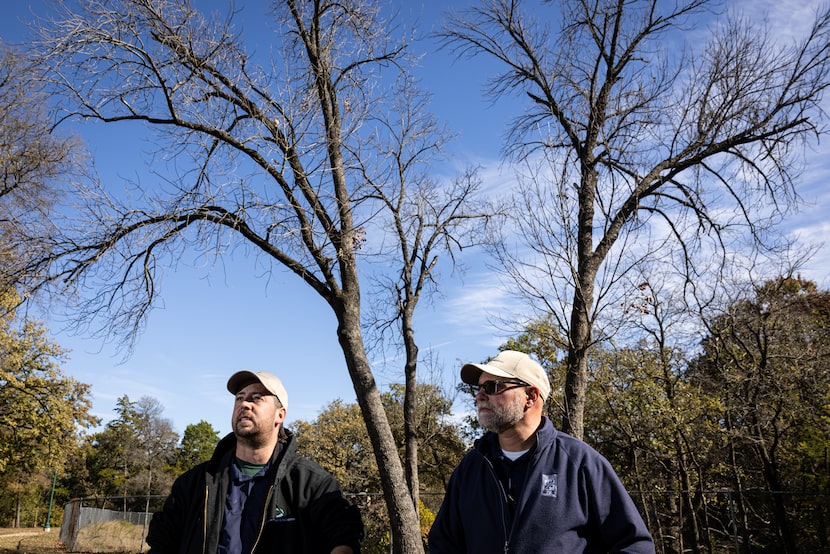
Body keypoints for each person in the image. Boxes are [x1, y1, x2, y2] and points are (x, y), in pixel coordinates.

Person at [428, 350, 654, 553]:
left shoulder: (580, 463)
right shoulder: (471, 468)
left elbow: (635, 545)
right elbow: (443, 545)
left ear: (531, 396)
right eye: (478, 388)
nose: (480, 396)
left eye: (492, 386)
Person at [146, 370, 364, 554]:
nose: (245, 404)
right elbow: (162, 542)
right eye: (239, 398)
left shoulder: (312, 484)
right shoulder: (195, 483)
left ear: (280, 415)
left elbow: (343, 537)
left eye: (256, 398)